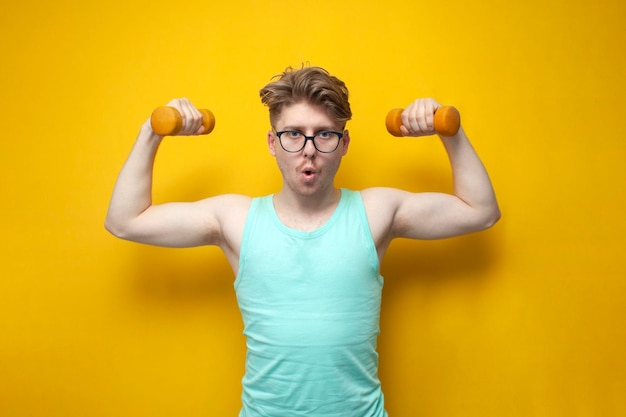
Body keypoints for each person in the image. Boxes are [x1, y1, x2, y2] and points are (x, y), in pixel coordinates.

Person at [105, 65, 500, 416]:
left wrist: (450, 132)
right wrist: (151, 133)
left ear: (343, 145)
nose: (308, 152)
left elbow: (480, 211)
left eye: (324, 135)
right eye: (293, 134)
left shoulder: (375, 212)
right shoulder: (236, 220)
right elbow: (126, 220)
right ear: (272, 143)